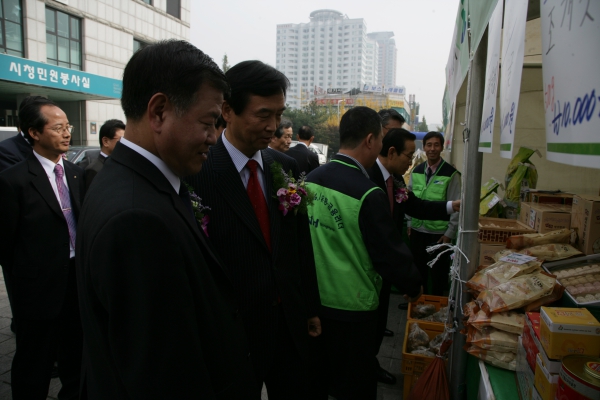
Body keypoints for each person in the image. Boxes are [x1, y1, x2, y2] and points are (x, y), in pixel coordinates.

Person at [76, 40, 256, 399]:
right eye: (208, 123)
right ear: (158, 111)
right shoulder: (137, 219)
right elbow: (162, 374)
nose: (214, 138)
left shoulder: (133, 179)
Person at [186, 60, 321, 399]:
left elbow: (300, 245)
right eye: (263, 115)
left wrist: (311, 308)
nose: (274, 127)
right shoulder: (198, 173)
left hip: (287, 324)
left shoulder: (285, 167)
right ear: (227, 111)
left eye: (278, 115)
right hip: (233, 331)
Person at [306, 107, 422, 400]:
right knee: (355, 385)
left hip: (314, 303)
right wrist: (413, 285)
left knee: (319, 380)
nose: (382, 146)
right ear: (370, 140)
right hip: (353, 310)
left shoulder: (311, 180)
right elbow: (388, 253)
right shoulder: (368, 193)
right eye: (382, 139)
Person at [0, 98, 84, 399]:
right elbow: (6, 244)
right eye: (58, 127)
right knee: (34, 366)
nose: (66, 133)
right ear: (34, 133)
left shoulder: (77, 174)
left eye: (68, 127)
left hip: (76, 283)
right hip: (37, 291)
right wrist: (28, 279)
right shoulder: (13, 180)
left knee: (77, 361)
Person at [367, 128, 459, 385]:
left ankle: (371, 361)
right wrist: (408, 279)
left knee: (380, 313)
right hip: (371, 264)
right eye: (409, 154)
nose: (412, 160)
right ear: (392, 152)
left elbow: (415, 204)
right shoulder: (368, 177)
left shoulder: (395, 180)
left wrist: (452, 206)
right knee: (369, 319)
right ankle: (364, 366)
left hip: (388, 266)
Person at [407, 131, 461, 296]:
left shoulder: (451, 174)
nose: (432, 149)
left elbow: (456, 205)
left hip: (438, 234)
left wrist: (449, 233)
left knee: (438, 274)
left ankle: (436, 307)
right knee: (417, 271)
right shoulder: (416, 171)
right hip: (417, 231)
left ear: (441, 147)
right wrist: (409, 223)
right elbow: (407, 199)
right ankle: (418, 304)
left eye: (436, 145)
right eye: (429, 145)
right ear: (423, 147)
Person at [84, 119, 125, 189]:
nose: (124, 144)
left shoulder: (121, 165)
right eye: (121, 140)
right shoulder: (94, 170)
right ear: (106, 141)